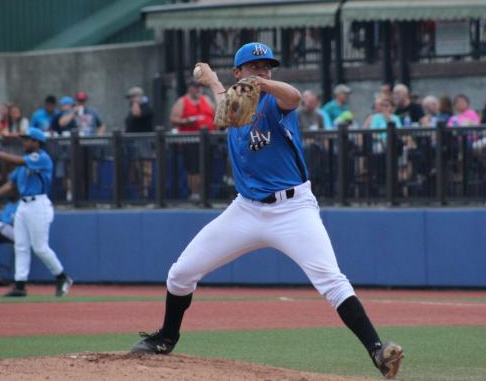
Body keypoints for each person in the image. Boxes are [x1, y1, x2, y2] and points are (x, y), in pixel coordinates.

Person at [130, 42, 404, 379]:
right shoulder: (235, 104)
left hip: (293, 210)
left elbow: (294, 96)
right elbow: (225, 108)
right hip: (245, 210)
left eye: (267, 66)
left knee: (331, 280)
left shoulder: (275, 102)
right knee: (180, 273)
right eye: (256, 66)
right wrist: (213, 80)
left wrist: (261, 84)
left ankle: (377, 351)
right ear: (238, 72)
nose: (263, 70)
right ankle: (167, 337)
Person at [0, 127, 72, 297]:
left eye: (28, 139)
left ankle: (62, 277)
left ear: (37, 142)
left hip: (39, 204)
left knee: (40, 248)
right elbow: (11, 185)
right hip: (23, 205)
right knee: (21, 246)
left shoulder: (41, 158)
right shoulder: (25, 163)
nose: (25, 142)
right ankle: (20, 285)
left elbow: (19, 161)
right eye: (24, 139)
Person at [170, 79, 215, 201]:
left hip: (207, 139)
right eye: (195, 86)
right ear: (190, 88)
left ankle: (205, 193)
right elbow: (173, 119)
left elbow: (216, 115)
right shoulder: (182, 101)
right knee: (193, 168)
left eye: (199, 86)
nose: (198, 89)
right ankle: (195, 193)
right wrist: (186, 121)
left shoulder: (206, 99)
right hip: (191, 139)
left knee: (205, 166)